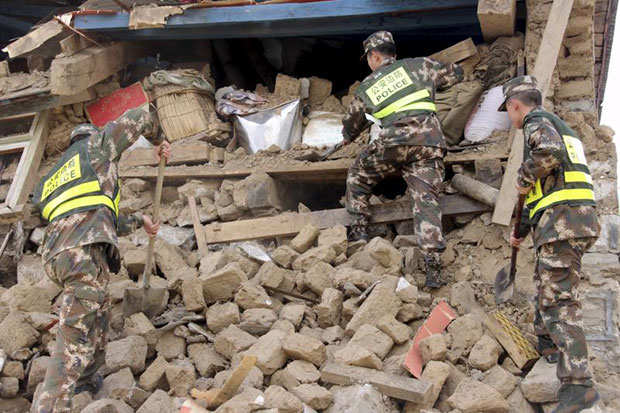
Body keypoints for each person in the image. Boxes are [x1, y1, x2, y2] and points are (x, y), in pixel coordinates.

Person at [32, 108, 171, 413]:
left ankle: (86, 379)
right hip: (83, 252)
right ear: (92, 137)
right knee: (73, 336)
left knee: (100, 307)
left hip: (59, 255)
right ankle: (52, 406)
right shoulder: (96, 147)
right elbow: (139, 117)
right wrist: (159, 141)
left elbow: (87, 209)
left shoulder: (54, 176)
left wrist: (138, 222)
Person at [500, 76, 600, 413]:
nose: (511, 120)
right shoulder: (560, 128)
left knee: (559, 300)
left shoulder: (536, 122)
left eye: (509, 112)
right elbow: (547, 188)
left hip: (563, 223)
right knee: (547, 286)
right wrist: (522, 231)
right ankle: (548, 344)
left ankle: (578, 385)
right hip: (568, 221)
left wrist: (522, 176)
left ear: (516, 105)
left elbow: (549, 155)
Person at [342, 30, 463, 288]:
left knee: (357, 175)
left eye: (369, 58)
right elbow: (456, 74)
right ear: (393, 52)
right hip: (429, 144)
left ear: (375, 56)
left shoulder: (369, 85)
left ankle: (360, 232)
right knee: (426, 200)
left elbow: (353, 122)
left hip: (393, 144)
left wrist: (347, 137)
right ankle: (432, 267)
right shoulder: (419, 65)